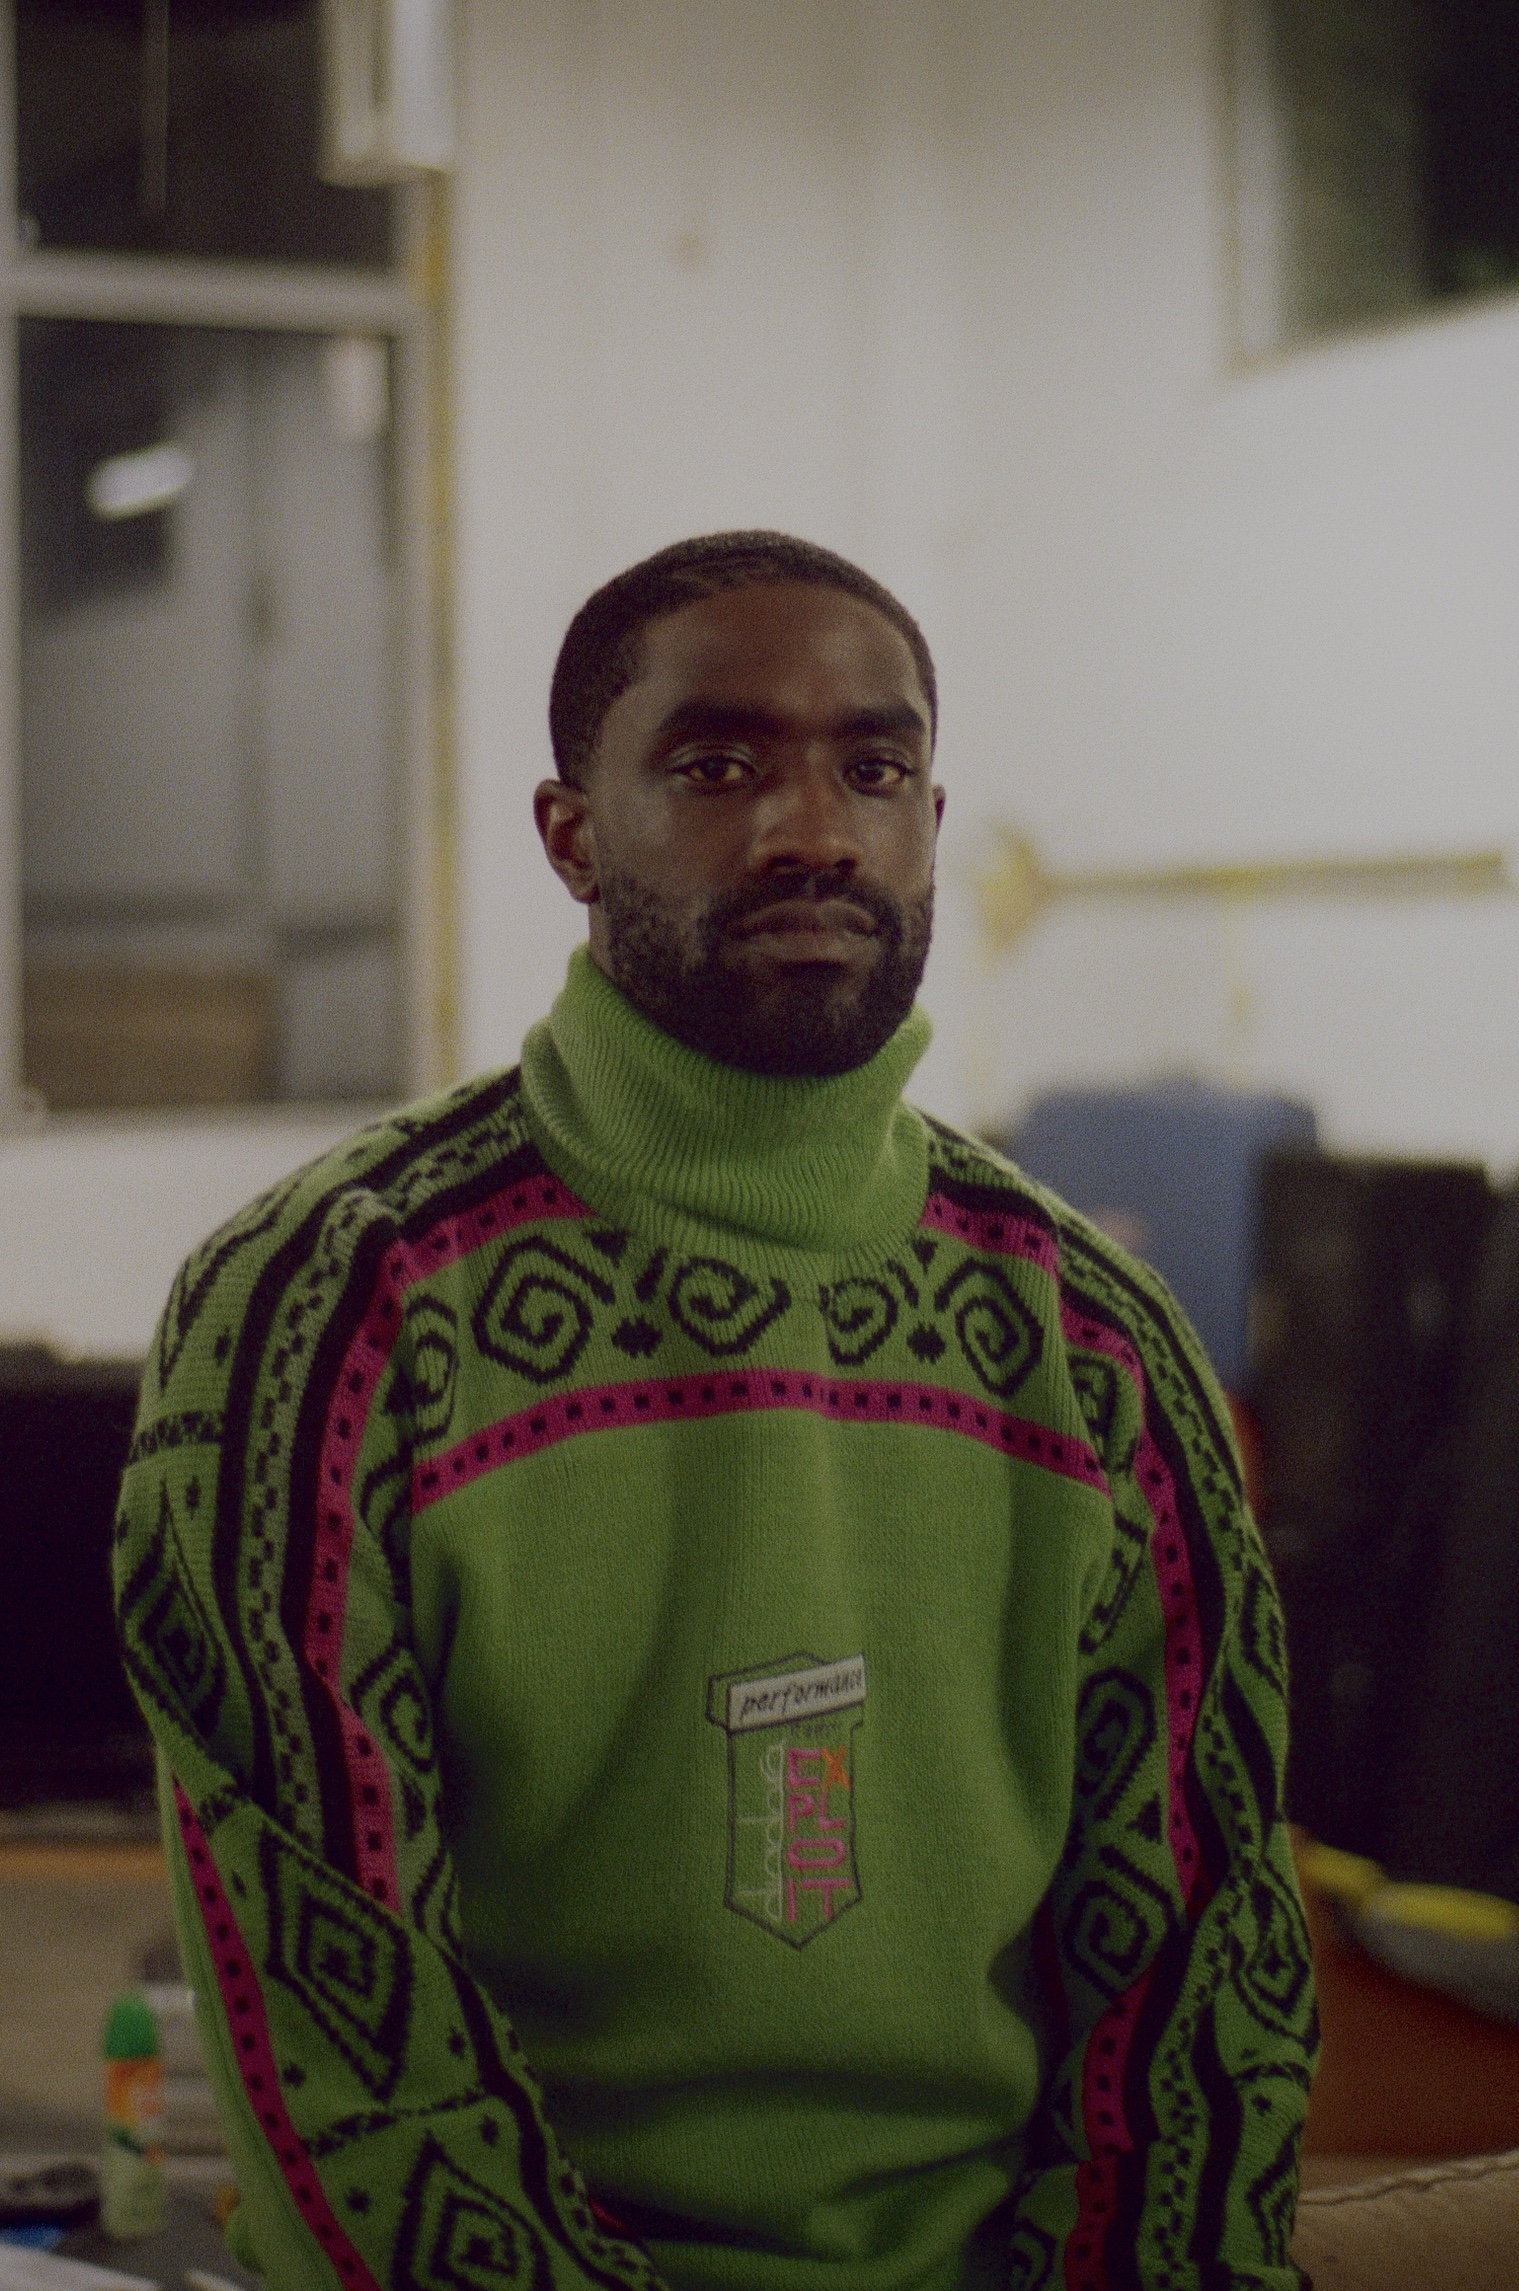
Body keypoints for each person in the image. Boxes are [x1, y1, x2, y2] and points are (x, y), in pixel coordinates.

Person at [114, 532, 1316, 2291]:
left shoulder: (1100, 1346)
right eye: (717, 766)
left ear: (928, 818)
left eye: (874, 769)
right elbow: (347, 2048)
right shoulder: (325, 1311)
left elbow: (1200, 1978)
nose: (813, 829)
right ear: (570, 836)